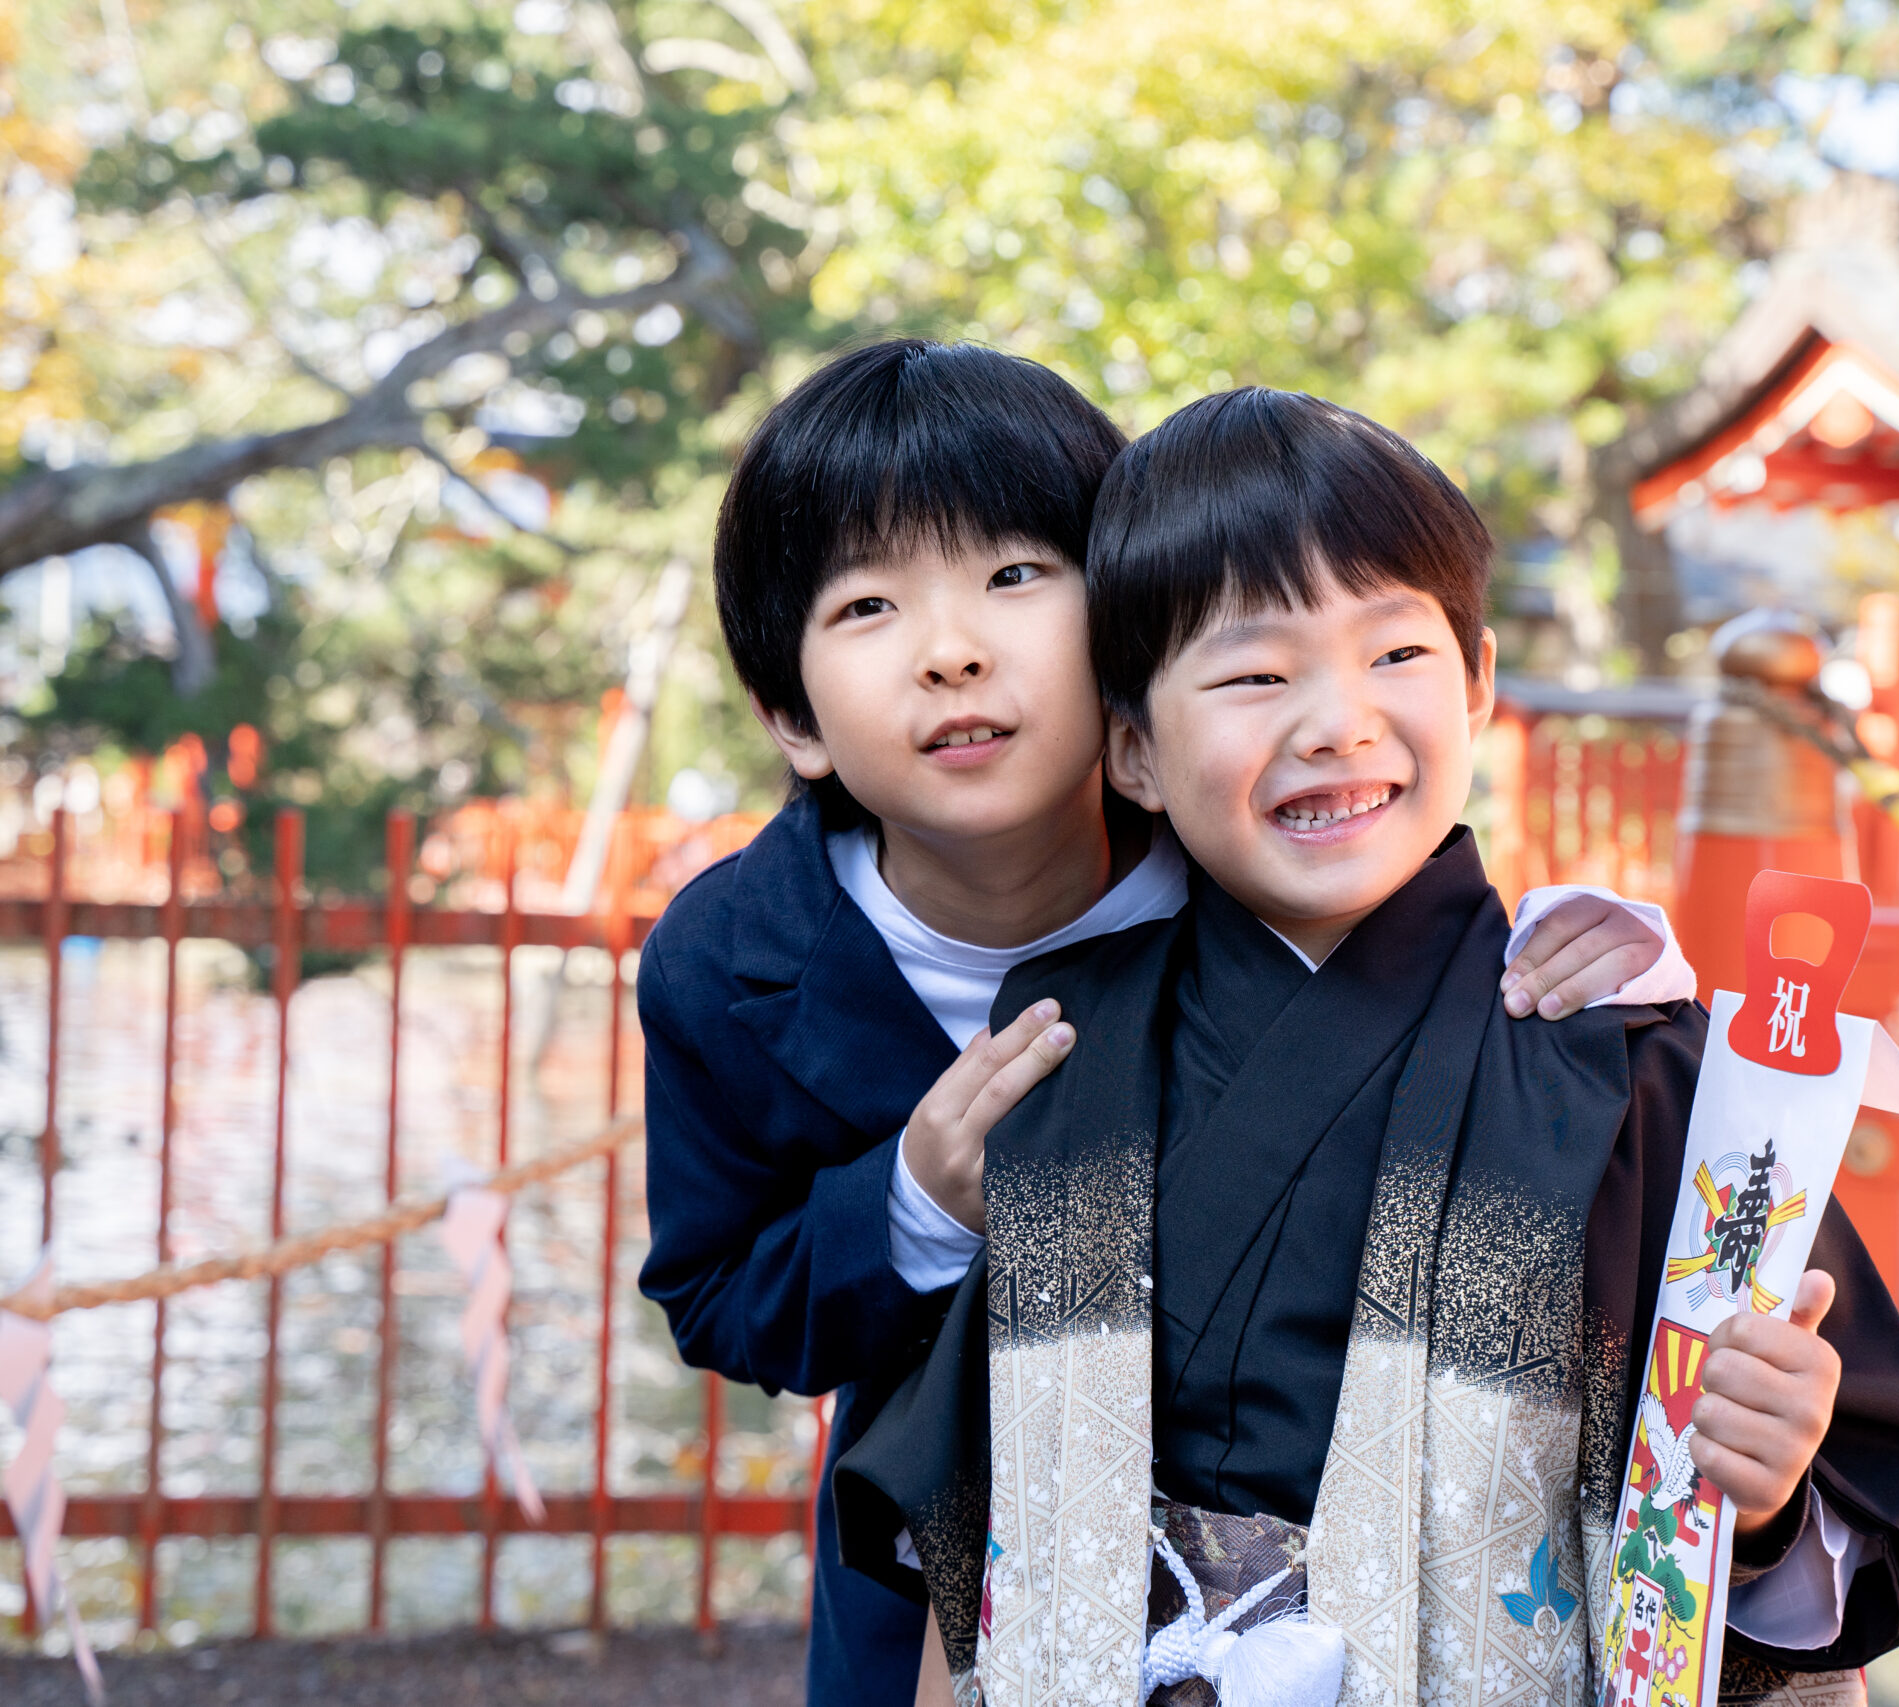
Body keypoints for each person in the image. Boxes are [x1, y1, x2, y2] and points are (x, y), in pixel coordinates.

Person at [842, 388, 1899, 1706]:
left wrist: (1761, 1488)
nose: (1338, 722)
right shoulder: (1063, 1051)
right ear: (1133, 748)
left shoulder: (1624, 1067)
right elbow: (984, 1537)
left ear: (1477, 685)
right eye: (1256, 675)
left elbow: (1809, 1510)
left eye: (1396, 654)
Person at [634, 341, 1697, 1704]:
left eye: (1016, 574)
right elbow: (718, 1298)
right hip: (960, 1563)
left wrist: (1593, 954)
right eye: (868, 606)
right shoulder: (730, 962)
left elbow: (1412, 904)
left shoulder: (1241, 835)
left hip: (1372, 1567)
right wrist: (918, 1206)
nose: (954, 651)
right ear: (793, 715)